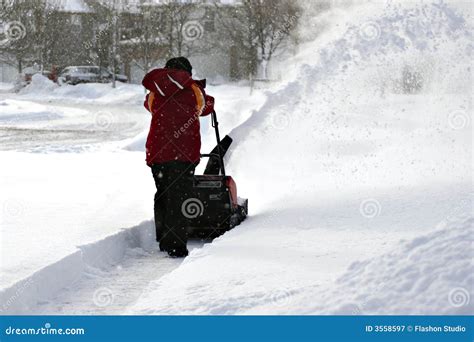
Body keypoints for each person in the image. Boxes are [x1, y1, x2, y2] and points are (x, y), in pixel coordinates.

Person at [142, 57, 214, 257]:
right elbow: (204, 107)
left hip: (157, 153)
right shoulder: (193, 89)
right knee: (179, 198)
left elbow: (149, 105)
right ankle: (176, 246)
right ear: (187, 72)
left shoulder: (155, 91)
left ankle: (164, 240)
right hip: (183, 154)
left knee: (163, 194)